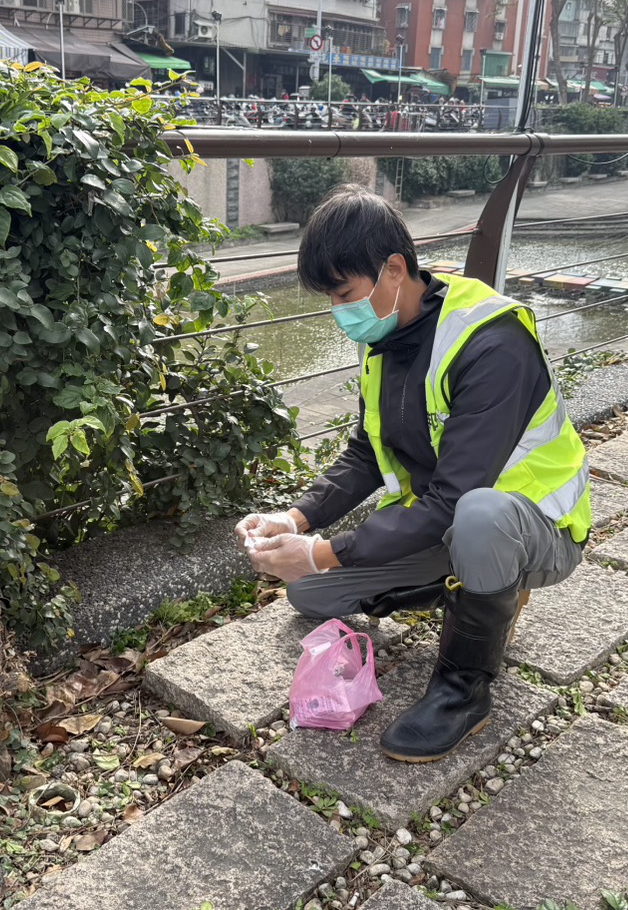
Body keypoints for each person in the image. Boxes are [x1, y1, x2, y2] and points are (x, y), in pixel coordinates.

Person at [235, 185, 591, 763]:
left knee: (480, 513)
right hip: (447, 527)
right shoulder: (385, 335)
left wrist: (325, 549)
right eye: (329, 299)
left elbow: (455, 498)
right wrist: (296, 517)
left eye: (345, 293)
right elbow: (368, 453)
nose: (338, 313)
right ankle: (469, 592)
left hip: (535, 530)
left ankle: (463, 688)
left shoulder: (490, 342)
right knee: (308, 591)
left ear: (394, 269)